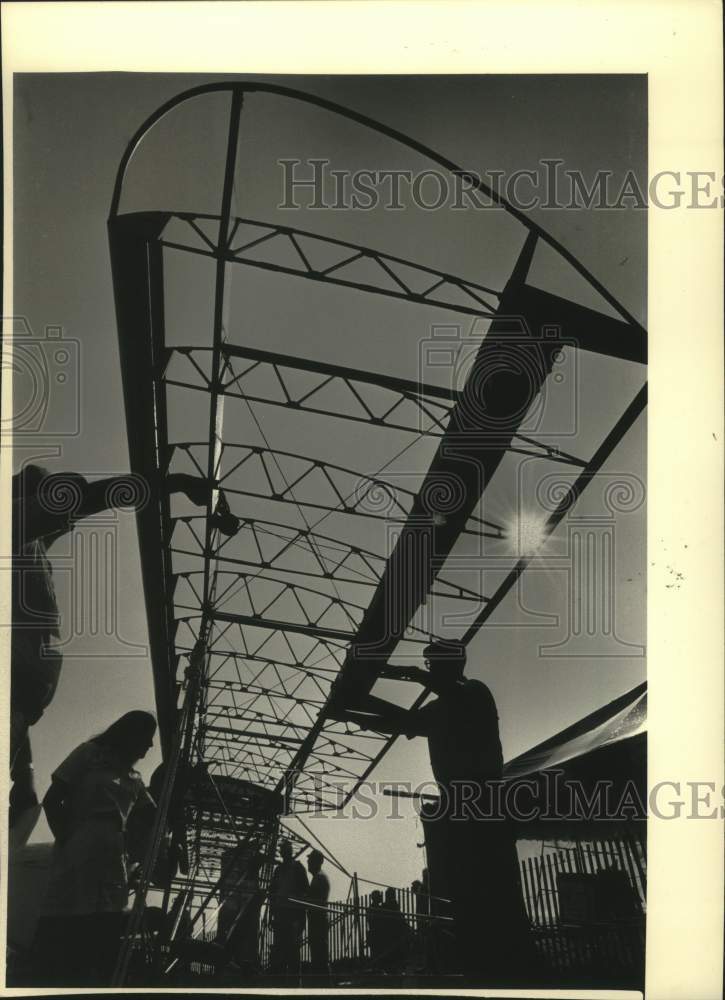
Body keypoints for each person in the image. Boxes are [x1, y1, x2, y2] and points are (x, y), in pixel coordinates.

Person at [9, 465, 211, 832]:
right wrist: (172, 483)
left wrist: (24, 777)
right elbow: (92, 499)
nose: (69, 523)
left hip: (21, 708)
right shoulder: (14, 518)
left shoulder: (30, 549)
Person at [329, 640, 532, 984]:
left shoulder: (474, 693)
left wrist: (411, 676)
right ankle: (483, 967)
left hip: (483, 804)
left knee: (492, 890)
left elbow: (433, 703)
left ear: (451, 666)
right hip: (462, 809)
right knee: (469, 893)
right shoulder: (441, 709)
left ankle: (509, 968)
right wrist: (353, 707)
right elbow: (401, 720)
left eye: (435, 665)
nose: (431, 671)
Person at [33, 711, 158, 986]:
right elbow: (53, 799)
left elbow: (154, 816)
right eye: (147, 737)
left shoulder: (133, 778)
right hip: (78, 857)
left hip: (114, 865)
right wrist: (68, 840)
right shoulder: (89, 755)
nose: (150, 745)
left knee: (104, 932)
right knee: (67, 924)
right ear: (130, 733)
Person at [268, 839, 309, 977]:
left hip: (293, 914)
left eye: (285, 850)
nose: (283, 852)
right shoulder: (278, 870)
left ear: (289, 852)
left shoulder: (297, 868)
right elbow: (272, 894)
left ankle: (294, 979)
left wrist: (300, 917)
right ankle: (281, 978)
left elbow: (305, 891)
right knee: (280, 947)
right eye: (282, 850)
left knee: (292, 948)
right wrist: (271, 914)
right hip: (281, 914)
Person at [306, 849, 330, 975]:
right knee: (318, 953)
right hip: (317, 918)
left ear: (317, 862)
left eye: (310, 860)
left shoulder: (319, 878)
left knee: (319, 954)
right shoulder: (318, 877)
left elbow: (313, 899)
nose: (308, 862)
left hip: (318, 919)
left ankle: (322, 982)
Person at [366, 889, 385, 967]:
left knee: (376, 952)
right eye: (379, 896)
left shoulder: (372, 908)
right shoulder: (375, 908)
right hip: (377, 932)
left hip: (375, 932)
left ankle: (377, 968)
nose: (381, 897)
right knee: (377, 952)